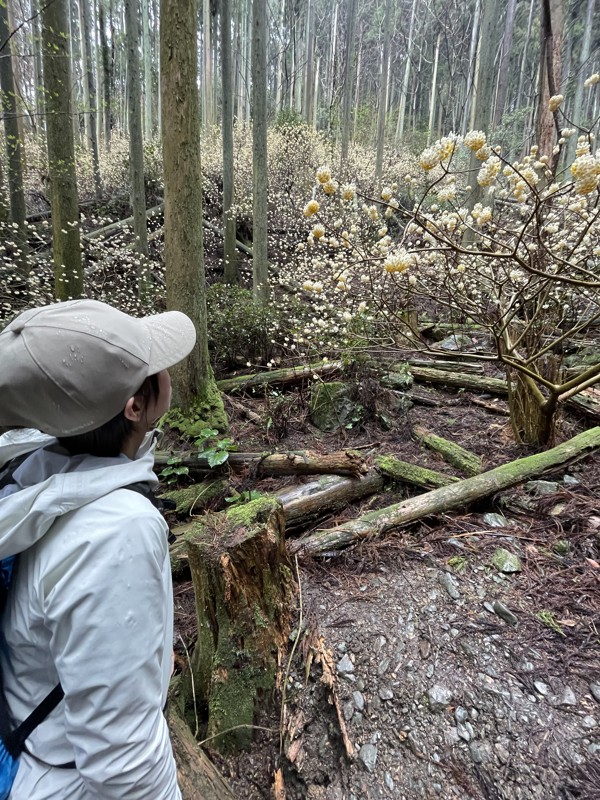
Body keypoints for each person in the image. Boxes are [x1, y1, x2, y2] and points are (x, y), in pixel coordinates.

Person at [0, 299, 197, 799]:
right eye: (155, 366)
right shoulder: (117, 532)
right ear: (134, 407)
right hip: (61, 779)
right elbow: (124, 765)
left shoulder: (32, 470)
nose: (167, 371)